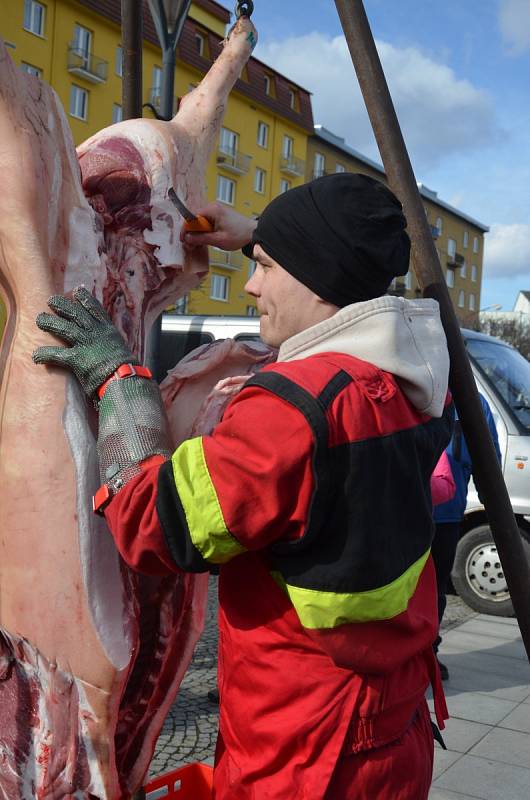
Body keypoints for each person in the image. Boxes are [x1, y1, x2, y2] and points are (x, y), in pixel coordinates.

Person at [33, 173, 454, 800]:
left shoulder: (292, 412)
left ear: (316, 273)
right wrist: (258, 234)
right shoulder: (412, 385)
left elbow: (154, 525)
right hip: (391, 729)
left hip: (307, 757)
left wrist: (116, 377)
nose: (252, 284)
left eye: (263, 267)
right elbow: (333, 260)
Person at [432, 394, 501, 680]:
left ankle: (428, 653)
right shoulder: (402, 383)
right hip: (402, 510)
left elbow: (487, 455)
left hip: (445, 512)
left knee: (435, 590)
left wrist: (491, 496)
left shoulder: (470, 400)